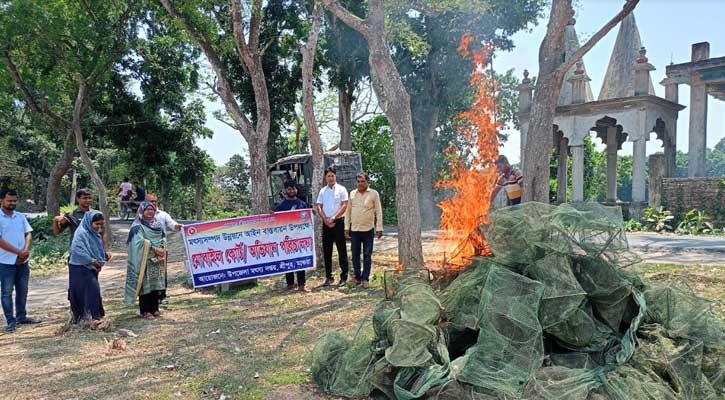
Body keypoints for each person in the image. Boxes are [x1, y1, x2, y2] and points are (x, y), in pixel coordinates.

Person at [0, 189, 39, 333]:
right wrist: (18, 252)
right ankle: (11, 321)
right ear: (1, 200)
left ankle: (21, 316)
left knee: (23, 290)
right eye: (9, 200)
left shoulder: (20, 216)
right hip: (5, 262)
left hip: (23, 261)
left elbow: (28, 233)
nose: (12, 203)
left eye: (14, 200)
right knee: (6, 292)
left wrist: (25, 251)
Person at [131, 193, 182, 303]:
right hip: (145, 253)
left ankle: (161, 296)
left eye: (155, 201)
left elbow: (171, 224)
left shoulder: (162, 215)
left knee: (161, 273)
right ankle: (146, 304)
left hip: (161, 250)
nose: (153, 204)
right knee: (146, 276)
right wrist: (151, 247)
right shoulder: (139, 219)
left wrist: (177, 226)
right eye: (150, 202)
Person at [124, 202, 167, 319]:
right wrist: (153, 248)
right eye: (147, 209)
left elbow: (163, 237)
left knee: (155, 285)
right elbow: (138, 242)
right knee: (145, 286)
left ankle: (155, 309)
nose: (150, 211)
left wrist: (162, 247)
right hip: (144, 261)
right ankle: (145, 310)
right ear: (142, 211)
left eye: (152, 209)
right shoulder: (137, 227)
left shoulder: (157, 225)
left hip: (156, 260)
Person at [68, 211, 108, 327]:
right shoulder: (81, 233)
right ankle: (88, 317)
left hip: (91, 267)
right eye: (96, 224)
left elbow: (97, 247)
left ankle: (94, 316)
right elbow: (78, 250)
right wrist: (91, 261)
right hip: (79, 267)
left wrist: (101, 258)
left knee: (92, 292)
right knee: (87, 291)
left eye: (101, 225)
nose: (99, 227)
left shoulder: (94, 233)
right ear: (89, 223)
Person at [344, 173, 383, 289]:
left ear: (367, 182)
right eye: (358, 181)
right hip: (355, 230)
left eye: (363, 181)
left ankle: (365, 278)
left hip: (368, 230)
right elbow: (348, 212)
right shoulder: (352, 194)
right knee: (355, 255)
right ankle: (357, 277)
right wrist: (346, 228)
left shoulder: (374, 194)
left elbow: (379, 212)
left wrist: (379, 228)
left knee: (367, 255)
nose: (360, 184)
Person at [53, 188, 110, 260]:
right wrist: (55, 220)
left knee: (92, 271)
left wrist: (106, 250)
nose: (88, 200)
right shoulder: (71, 215)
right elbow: (57, 232)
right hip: (76, 252)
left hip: (93, 252)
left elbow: (103, 233)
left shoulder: (97, 214)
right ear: (78, 199)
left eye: (89, 198)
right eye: (85, 198)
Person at [315, 167, 349, 287]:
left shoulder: (341, 189)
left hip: (338, 222)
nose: (330, 178)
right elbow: (319, 206)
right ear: (325, 177)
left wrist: (333, 218)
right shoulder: (323, 191)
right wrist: (325, 219)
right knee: (327, 250)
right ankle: (329, 277)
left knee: (341, 250)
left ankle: (344, 276)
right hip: (326, 224)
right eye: (328, 176)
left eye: (332, 176)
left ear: (335, 176)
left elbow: (345, 205)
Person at [275, 181, 309, 292]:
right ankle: (290, 283)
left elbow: (307, 218)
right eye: (289, 189)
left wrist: (311, 213)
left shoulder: (302, 204)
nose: (291, 191)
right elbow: (276, 221)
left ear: (296, 190)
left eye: (293, 188)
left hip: (299, 238)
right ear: (285, 191)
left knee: (300, 260)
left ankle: (301, 284)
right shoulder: (281, 206)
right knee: (287, 260)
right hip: (286, 239)